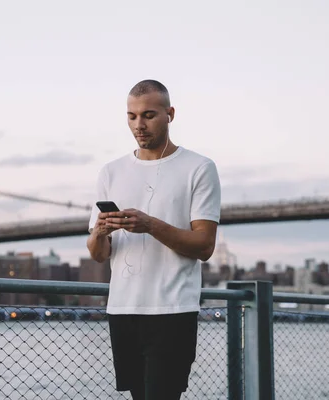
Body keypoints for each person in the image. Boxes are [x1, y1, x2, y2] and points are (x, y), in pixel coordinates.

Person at [86, 79, 221, 400]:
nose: (139, 125)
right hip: (123, 309)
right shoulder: (110, 172)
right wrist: (100, 232)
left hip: (172, 310)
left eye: (148, 115)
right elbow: (98, 255)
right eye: (131, 117)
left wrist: (150, 225)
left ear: (170, 114)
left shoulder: (199, 168)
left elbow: (204, 246)